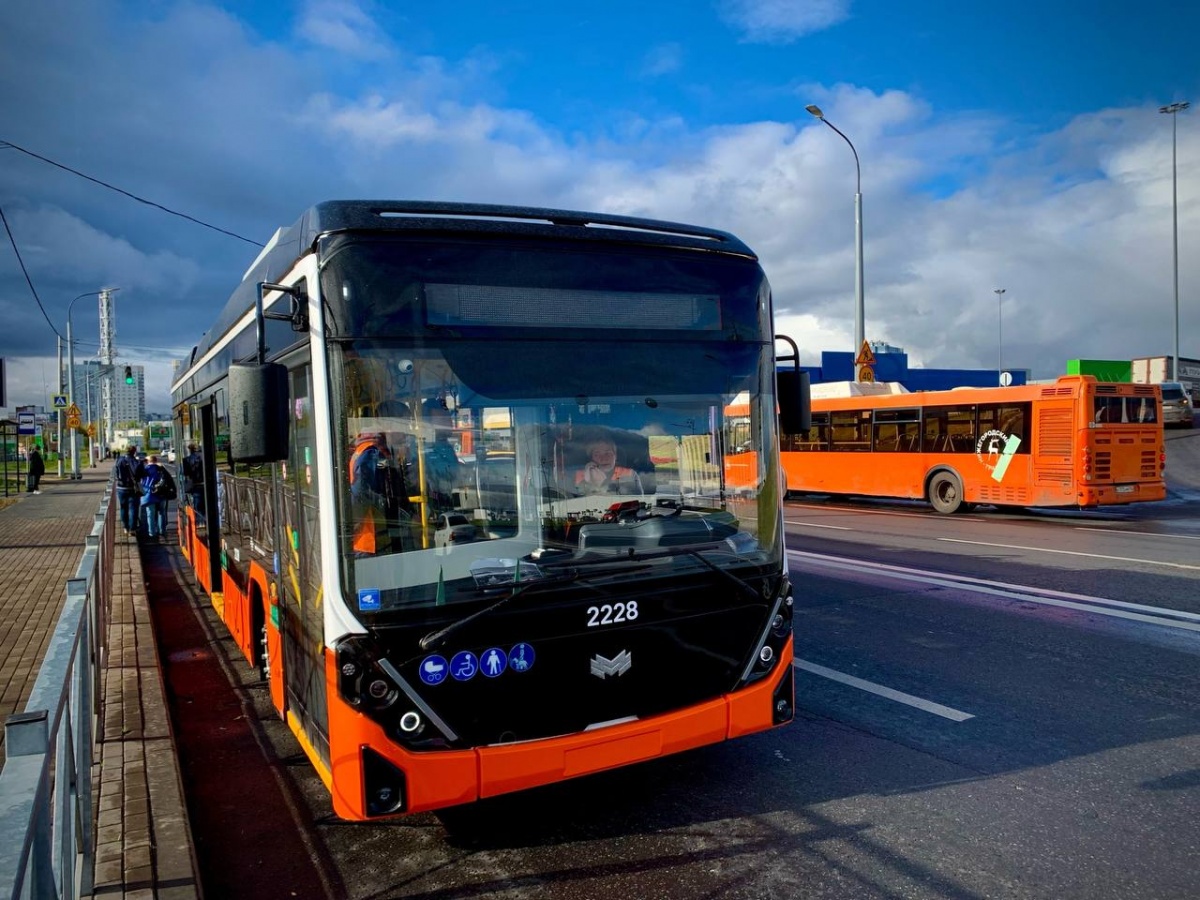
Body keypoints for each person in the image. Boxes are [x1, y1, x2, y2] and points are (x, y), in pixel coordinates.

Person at [349, 432, 409, 555]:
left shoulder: (363, 451)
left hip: (370, 536)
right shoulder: (371, 453)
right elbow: (361, 492)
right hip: (370, 537)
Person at [421, 399, 462, 508]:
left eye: (448, 418)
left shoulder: (446, 447)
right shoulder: (422, 451)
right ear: (427, 424)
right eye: (442, 419)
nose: (449, 423)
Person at [573, 437, 644, 495]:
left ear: (615, 456)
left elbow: (639, 501)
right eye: (597, 454)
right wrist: (590, 481)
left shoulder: (630, 475)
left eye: (608, 453)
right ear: (591, 459)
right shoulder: (578, 476)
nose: (603, 458)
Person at [114, 446, 144, 534]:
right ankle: (132, 528)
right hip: (132, 488)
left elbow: (116, 473)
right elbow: (142, 474)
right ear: (134, 452)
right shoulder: (136, 462)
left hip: (121, 487)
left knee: (123, 507)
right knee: (133, 508)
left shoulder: (119, 460)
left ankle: (125, 527)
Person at [139, 454, 169, 540]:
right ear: (156, 460)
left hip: (149, 494)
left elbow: (141, 482)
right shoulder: (160, 468)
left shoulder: (144, 469)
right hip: (161, 493)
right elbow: (166, 479)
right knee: (161, 512)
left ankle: (151, 532)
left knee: (150, 513)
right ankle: (162, 531)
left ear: (148, 461)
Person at [182, 443, 205, 513]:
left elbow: (186, 473)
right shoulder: (204, 458)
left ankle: (199, 519)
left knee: (197, 506)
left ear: (190, 450)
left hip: (195, 484)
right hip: (205, 483)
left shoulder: (186, 460)